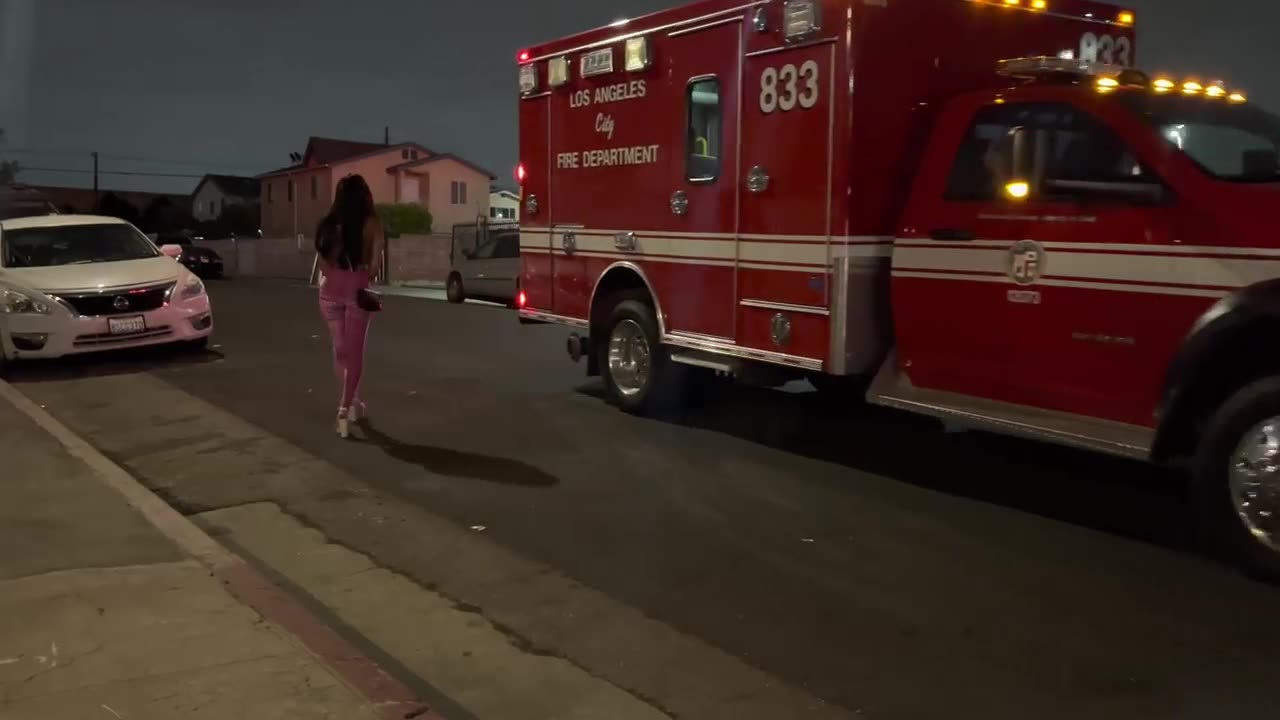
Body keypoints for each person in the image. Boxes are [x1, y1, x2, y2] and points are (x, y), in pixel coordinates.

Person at [315, 174, 384, 438]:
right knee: (355, 354)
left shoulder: (328, 225)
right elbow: (376, 268)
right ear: (365, 195)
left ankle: (353, 401)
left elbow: (323, 264)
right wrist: (364, 267)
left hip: (330, 293)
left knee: (341, 350)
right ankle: (345, 409)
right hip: (357, 293)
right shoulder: (372, 224)